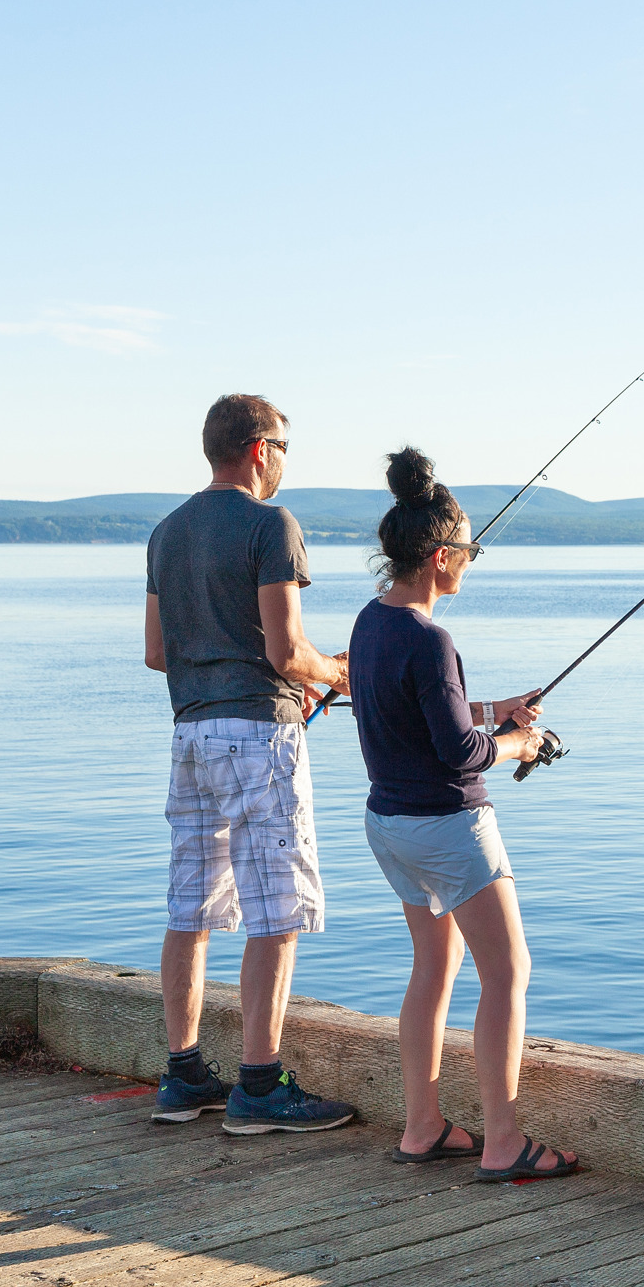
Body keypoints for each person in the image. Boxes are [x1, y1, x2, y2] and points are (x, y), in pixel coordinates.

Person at [351, 447, 577, 1183]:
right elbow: (459, 751)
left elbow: (410, 709)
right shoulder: (432, 637)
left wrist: (492, 708)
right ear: (441, 556)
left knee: (435, 964)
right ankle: (503, 1142)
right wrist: (518, 742)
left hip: (389, 825)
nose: (471, 562)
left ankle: (423, 1127)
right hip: (448, 828)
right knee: (508, 972)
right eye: (470, 552)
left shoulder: (372, 622)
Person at [143, 393, 359, 1135]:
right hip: (259, 737)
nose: (285, 466)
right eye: (285, 451)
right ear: (261, 449)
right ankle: (260, 1086)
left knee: (191, 907)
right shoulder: (272, 525)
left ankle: (182, 1076)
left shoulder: (166, 532)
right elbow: (286, 651)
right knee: (277, 911)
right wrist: (336, 672)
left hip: (190, 735)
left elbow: (158, 653)